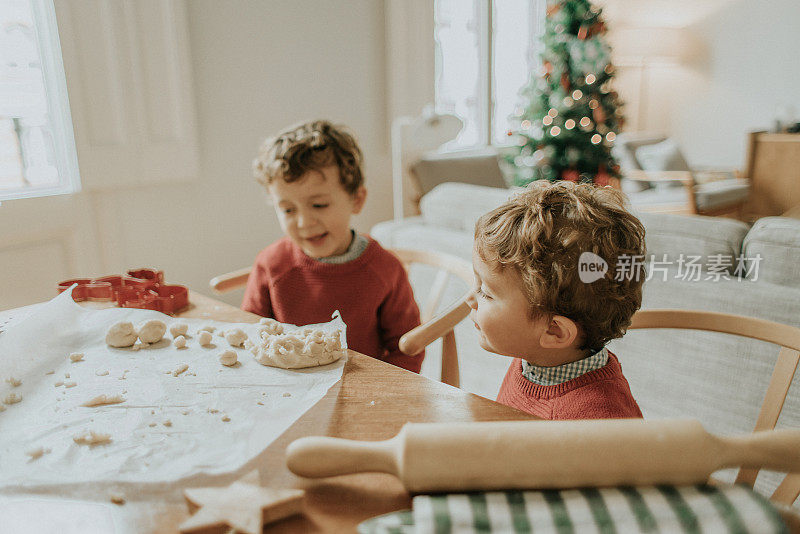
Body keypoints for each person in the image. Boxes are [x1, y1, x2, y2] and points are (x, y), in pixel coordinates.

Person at [243, 120, 424, 372]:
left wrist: (379, 394)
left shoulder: (385, 269)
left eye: (319, 205)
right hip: (287, 391)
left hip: (362, 396)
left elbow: (406, 351)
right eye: (287, 209)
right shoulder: (270, 264)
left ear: (356, 200)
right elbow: (251, 333)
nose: (304, 222)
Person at [467, 180, 645, 419]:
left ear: (554, 331)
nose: (470, 299)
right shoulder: (536, 358)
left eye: (486, 292)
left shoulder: (594, 423)